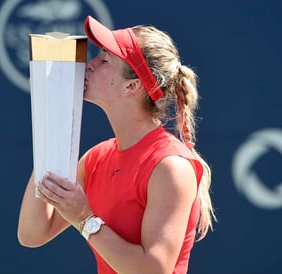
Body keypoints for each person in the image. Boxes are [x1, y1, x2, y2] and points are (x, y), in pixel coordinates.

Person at [18, 15, 216, 274]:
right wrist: (51, 121)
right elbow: (32, 234)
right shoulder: (96, 158)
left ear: (132, 85)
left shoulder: (170, 167)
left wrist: (84, 219)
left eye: (104, 60)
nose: (90, 65)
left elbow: (154, 270)